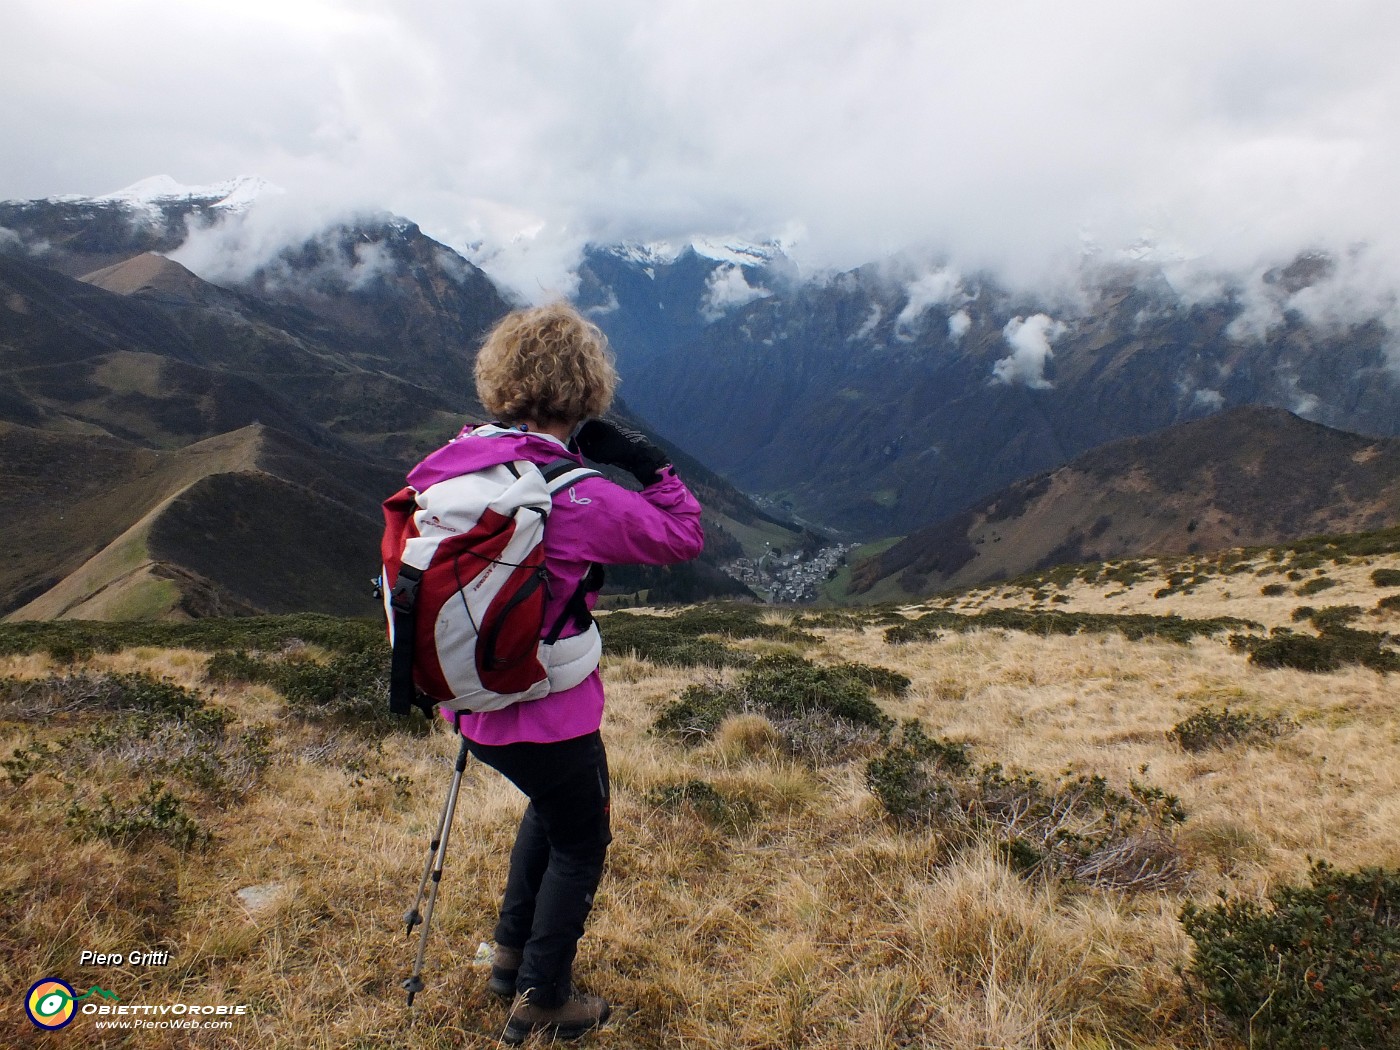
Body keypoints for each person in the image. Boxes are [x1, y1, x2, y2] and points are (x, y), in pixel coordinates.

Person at [403, 302, 704, 1044]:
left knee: (550, 808)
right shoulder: (579, 496)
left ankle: (510, 958)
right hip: (550, 709)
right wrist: (647, 463)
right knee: (582, 837)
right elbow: (683, 535)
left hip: (470, 703)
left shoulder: (451, 468)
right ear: (588, 391)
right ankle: (543, 998)